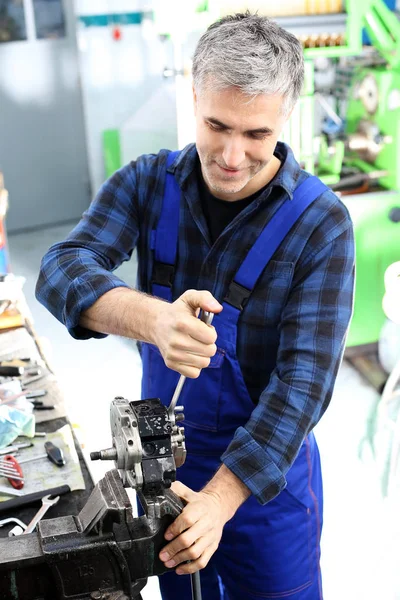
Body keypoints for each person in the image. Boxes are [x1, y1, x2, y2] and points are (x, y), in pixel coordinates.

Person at [36, 12, 354, 600]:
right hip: (167, 479)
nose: (232, 156)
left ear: (286, 117)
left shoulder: (321, 224)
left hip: (264, 483)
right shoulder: (148, 184)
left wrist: (221, 498)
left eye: (257, 134)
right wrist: (151, 317)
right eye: (216, 125)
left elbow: (304, 384)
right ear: (193, 94)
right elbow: (60, 271)